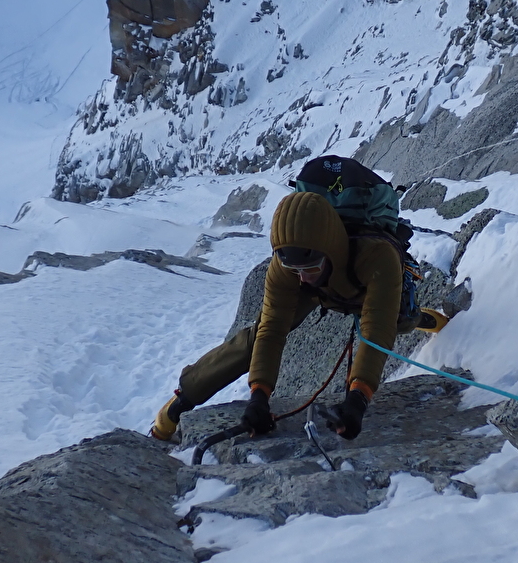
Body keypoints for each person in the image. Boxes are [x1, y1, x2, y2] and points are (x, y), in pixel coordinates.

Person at [150, 180, 447, 443]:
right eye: (295, 270)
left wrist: (358, 397)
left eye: (309, 268)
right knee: (254, 338)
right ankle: (178, 404)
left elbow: (376, 332)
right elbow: (271, 331)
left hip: (361, 284)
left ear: (330, 249)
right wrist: (258, 395)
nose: (302, 277)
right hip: (324, 288)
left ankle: (423, 319)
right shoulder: (288, 268)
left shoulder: (377, 256)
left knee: (399, 320)